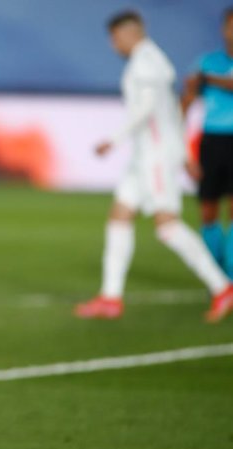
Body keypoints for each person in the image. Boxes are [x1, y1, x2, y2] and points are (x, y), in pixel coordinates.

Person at [75, 10, 233, 323]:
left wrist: (113, 139)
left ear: (127, 34)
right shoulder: (151, 60)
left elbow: (147, 110)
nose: (113, 45)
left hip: (156, 157)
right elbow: (170, 111)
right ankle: (110, 297)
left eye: (115, 38)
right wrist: (186, 153)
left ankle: (223, 287)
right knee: (120, 215)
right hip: (144, 155)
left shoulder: (146, 63)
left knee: (167, 226)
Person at [181, 7, 233, 277]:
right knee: (208, 209)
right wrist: (181, 148)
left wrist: (208, 80)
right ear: (223, 29)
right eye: (231, 26)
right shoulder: (207, 61)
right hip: (212, 140)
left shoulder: (207, 72)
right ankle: (216, 273)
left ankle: (231, 275)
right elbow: (186, 101)